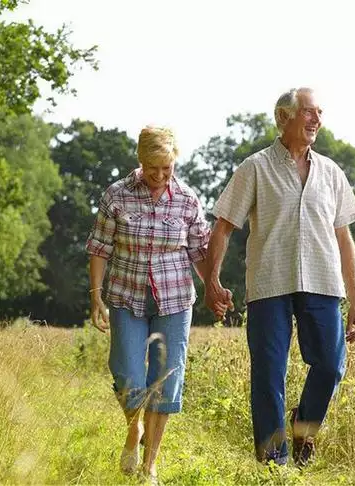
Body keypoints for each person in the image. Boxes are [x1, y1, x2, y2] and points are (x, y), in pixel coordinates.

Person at [205, 87, 355, 467]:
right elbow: (224, 227)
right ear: (284, 118)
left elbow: (344, 238)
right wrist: (211, 280)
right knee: (268, 374)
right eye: (308, 112)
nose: (316, 120)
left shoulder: (331, 173)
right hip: (269, 283)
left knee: (330, 365)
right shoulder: (255, 168)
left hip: (323, 283)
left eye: (319, 113)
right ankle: (273, 465)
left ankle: (302, 427)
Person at [86, 126, 220, 480]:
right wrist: (95, 296)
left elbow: (199, 253)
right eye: (152, 168)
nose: (159, 176)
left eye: (167, 168)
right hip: (126, 295)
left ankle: (150, 466)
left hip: (174, 299)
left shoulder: (187, 200)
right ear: (139, 161)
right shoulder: (117, 195)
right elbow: (100, 248)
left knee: (165, 379)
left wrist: (214, 288)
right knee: (128, 374)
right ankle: (134, 431)